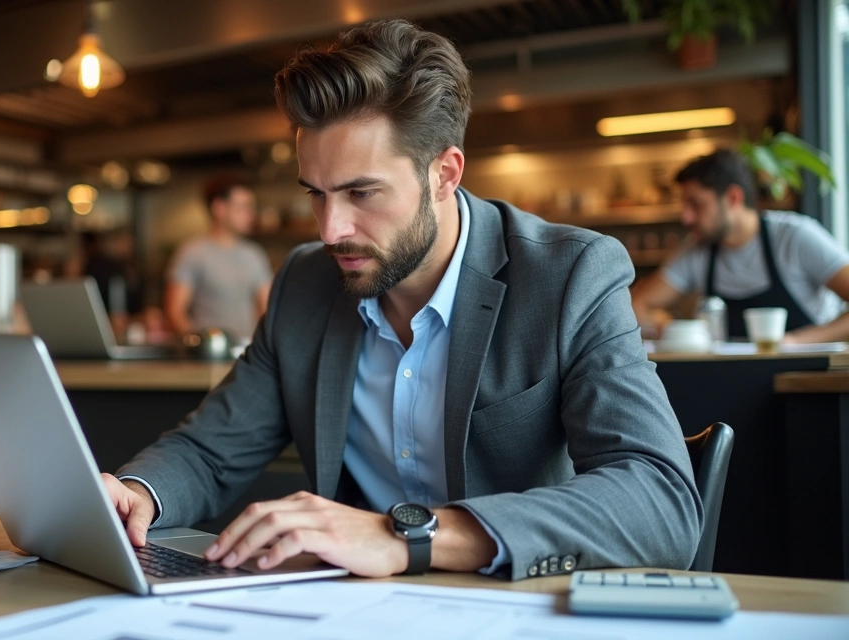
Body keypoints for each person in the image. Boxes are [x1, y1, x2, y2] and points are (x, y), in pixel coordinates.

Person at [100, 20, 700, 581]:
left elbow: (659, 499)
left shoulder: (569, 275)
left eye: (362, 192)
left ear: (445, 174)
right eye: (316, 194)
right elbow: (211, 449)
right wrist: (135, 494)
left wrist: (408, 537)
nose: (330, 229)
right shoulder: (305, 283)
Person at [632, 149, 849, 342]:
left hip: (804, 380)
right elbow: (637, 306)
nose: (686, 218)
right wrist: (674, 330)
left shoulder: (795, 237)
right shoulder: (696, 250)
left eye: (696, 205)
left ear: (733, 197)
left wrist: (796, 342)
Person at [164, 175, 273, 342]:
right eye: (243, 207)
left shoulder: (254, 254)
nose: (250, 214)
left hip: (248, 354)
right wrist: (199, 344)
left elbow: (266, 309)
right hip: (207, 358)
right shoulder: (192, 253)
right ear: (219, 208)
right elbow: (175, 313)